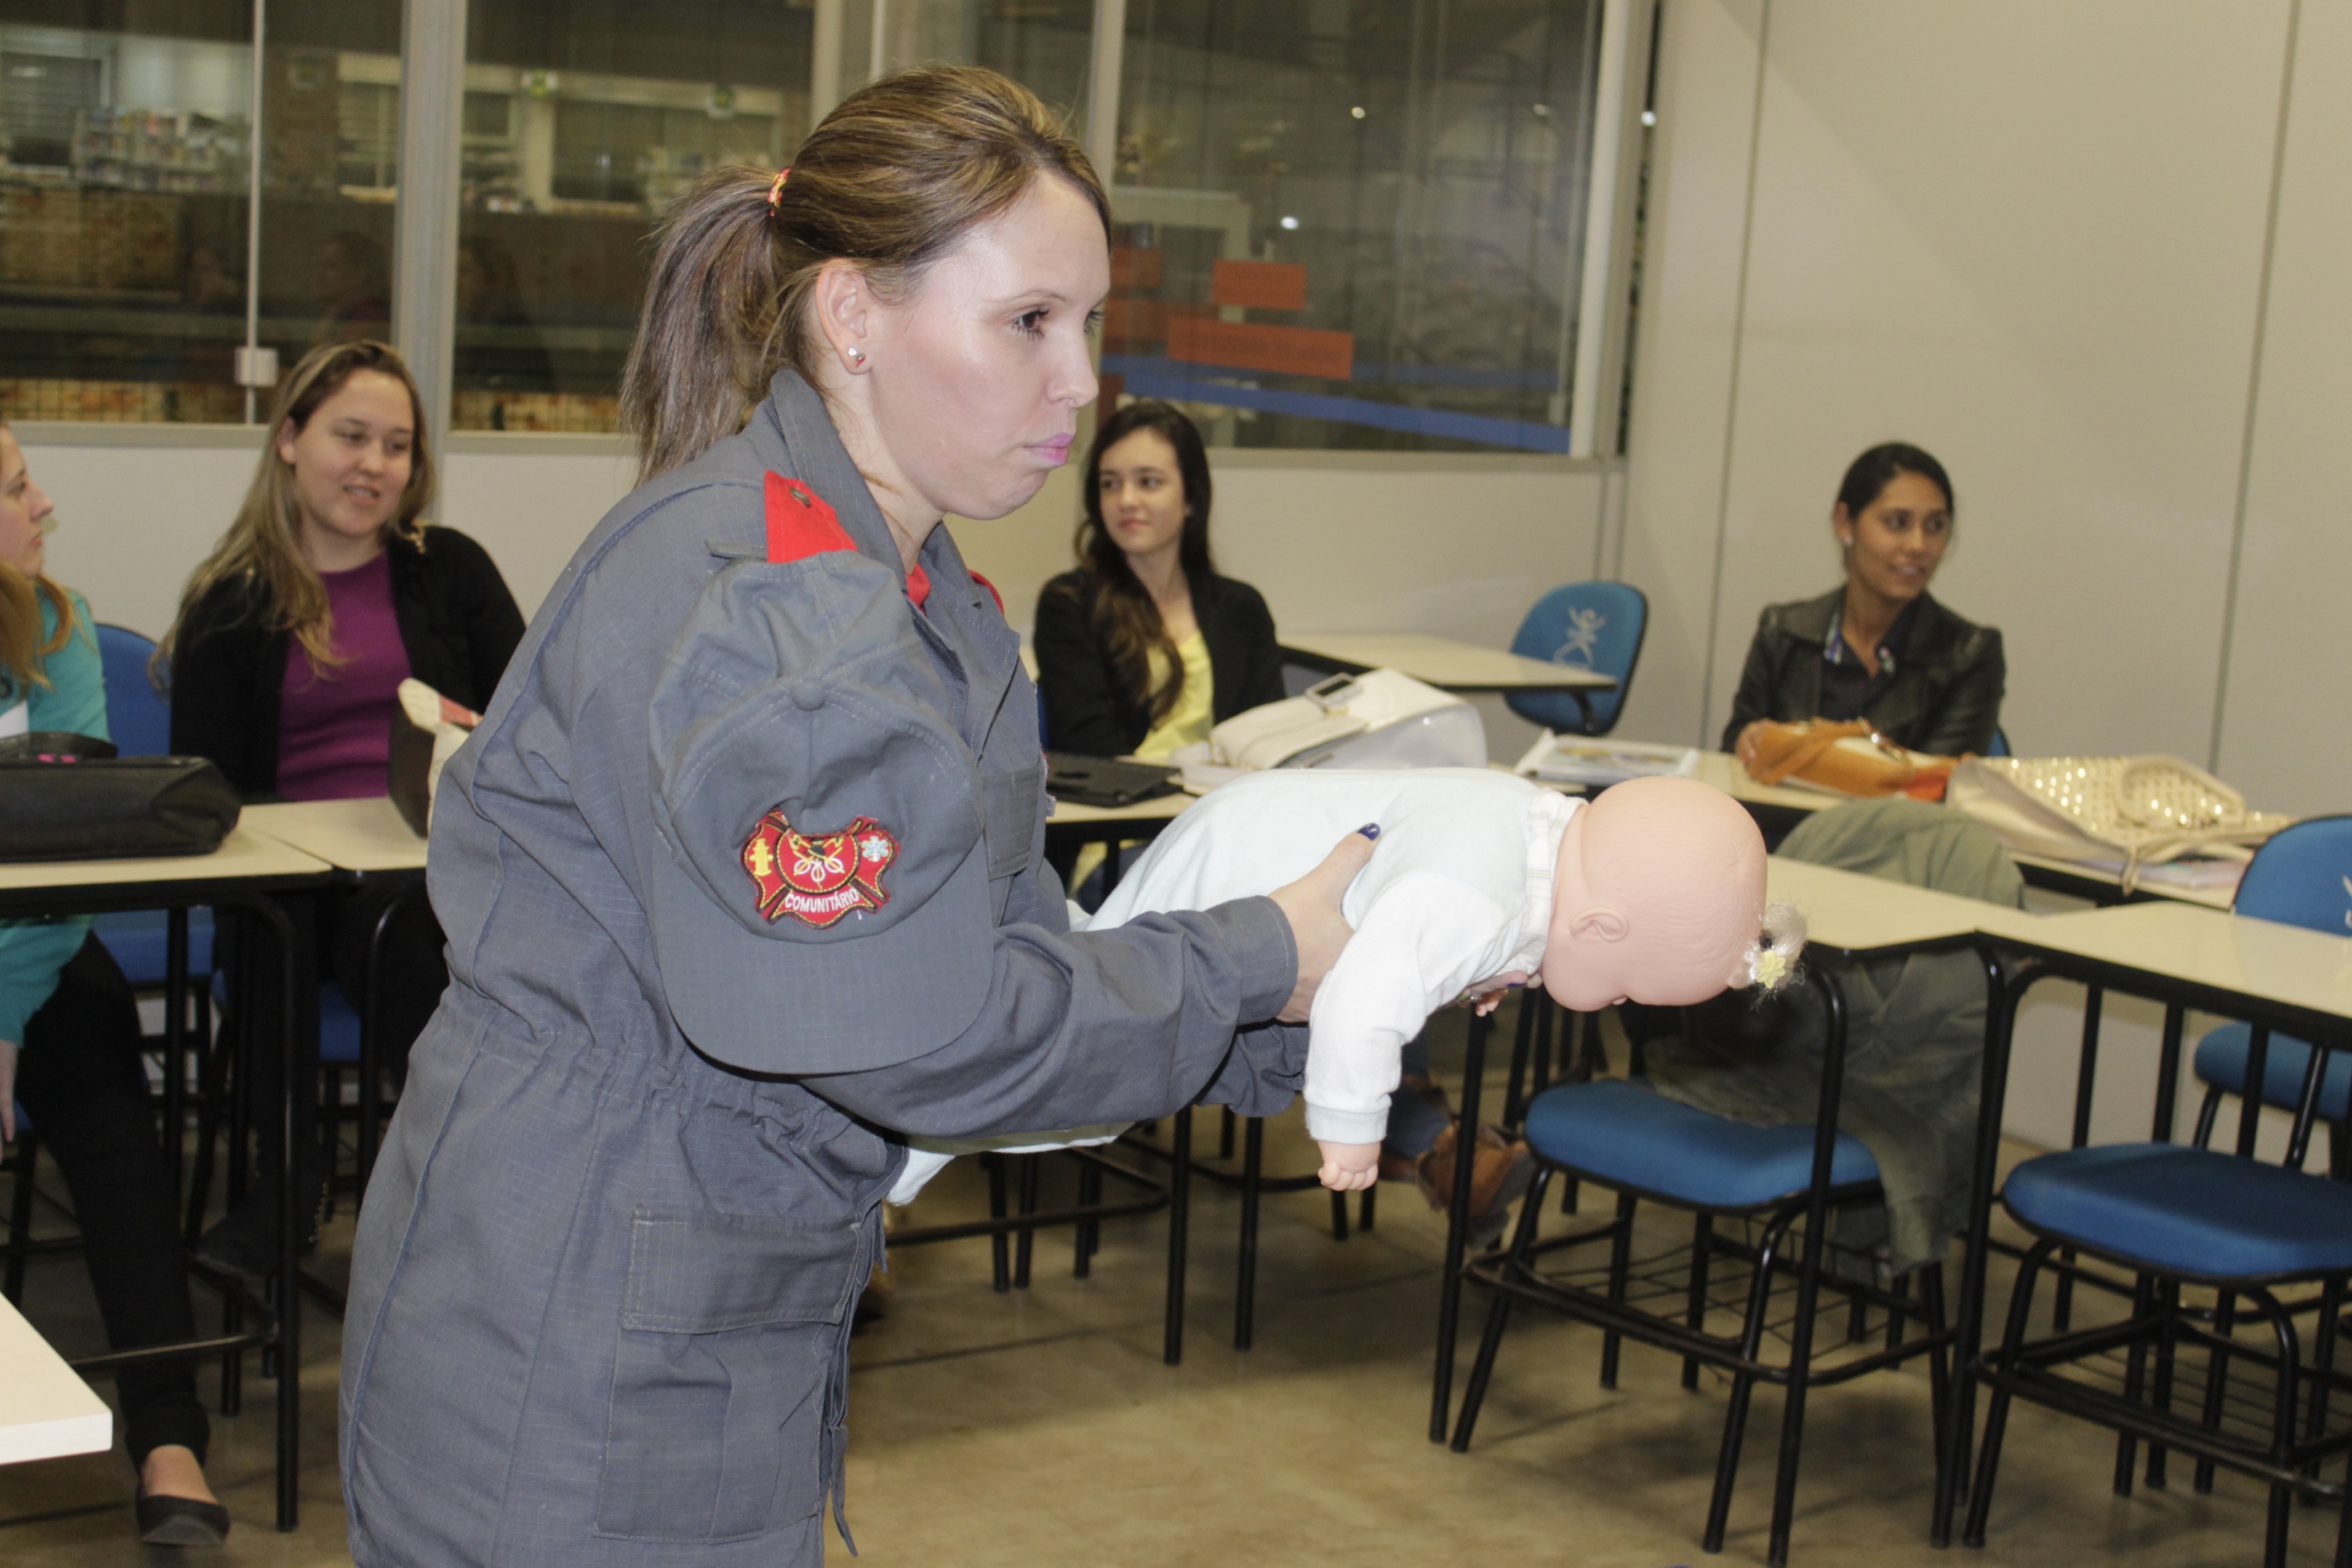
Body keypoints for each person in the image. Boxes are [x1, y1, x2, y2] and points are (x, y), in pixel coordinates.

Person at [337, 67, 1364, 1567]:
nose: (1082, 386)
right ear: (852, 317)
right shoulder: (777, 620)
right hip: (577, 1367)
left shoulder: (915, 596)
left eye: (1089, 328)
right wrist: (1255, 964)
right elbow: (921, 1030)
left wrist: (1323, 993)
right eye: (1029, 323)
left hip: (689, 1315)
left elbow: (1010, 962)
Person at [889, 771, 1796, 1205]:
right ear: (1601, 928)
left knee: (1096, 995)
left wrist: (1483, 963)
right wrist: (1353, 1131)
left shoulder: (1546, 833)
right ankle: (902, 1150)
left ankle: (950, 1057)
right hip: (1237, 879)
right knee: (1095, 1069)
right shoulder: (1471, 896)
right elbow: (1365, 999)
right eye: (1627, 992)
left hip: (1242, 825)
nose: (1617, 1006)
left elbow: (1476, 916)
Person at [159, 339, 525, 1275]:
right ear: (289, 440)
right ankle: (287, 1186)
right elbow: (204, 787)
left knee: (400, 925)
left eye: (396, 445)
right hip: (293, 875)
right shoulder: (232, 601)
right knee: (275, 924)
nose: (374, 465)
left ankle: (455, 1190)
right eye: (350, 436)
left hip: (431, 868)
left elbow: (531, 726)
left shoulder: (452, 569)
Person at [0, 424, 228, 1545]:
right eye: (16, 487)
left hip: (39, 941)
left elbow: (71, 847)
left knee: (106, 1097)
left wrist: (0, 1032)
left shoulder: (58, 625)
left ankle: (167, 1433)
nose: (43, 505)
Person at [1033, 398, 1284, 758]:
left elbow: (1271, 738)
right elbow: (1089, 749)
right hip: (1129, 809)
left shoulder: (1241, 607)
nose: (1127, 500)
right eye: (1110, 484)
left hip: (1227, 803)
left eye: (1149, 482)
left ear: (1191, 499)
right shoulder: (1069, 603)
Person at [1724, 442, 2003, 761]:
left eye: (1935, 526)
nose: (1918, 545)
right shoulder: (1783, 631)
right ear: (1845, 523)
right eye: (1897, 523)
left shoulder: (1969, 654)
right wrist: (1748, 741)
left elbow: (1935, 784)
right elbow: (1732, 753)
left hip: (1896, 813)